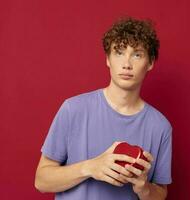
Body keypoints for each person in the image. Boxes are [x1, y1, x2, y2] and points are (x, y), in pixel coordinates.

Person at [35, 17, 173, 200]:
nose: (127, 64)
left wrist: (144, 189)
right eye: (119, 52)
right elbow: (41, 181)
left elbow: (161, 193)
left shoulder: (160, 126)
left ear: (150, 63)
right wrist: (91, 167)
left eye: (137, 54)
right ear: (107, 59)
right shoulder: (73, 109)